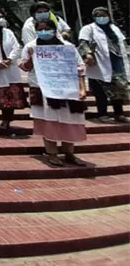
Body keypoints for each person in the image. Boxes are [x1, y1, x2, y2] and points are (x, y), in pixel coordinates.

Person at [20, 19, 88, 166]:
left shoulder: (67, 47)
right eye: (40, 29)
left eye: (47, 29)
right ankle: (52, 153)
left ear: (54, 29)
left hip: (68, 89)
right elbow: (24, 67)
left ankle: (69, 152)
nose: (44, 32)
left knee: (70, 121)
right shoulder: (31, 46)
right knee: (48, 121)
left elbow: (80, 67)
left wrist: (82, 88)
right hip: (43, 88)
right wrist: (32, 57)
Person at [78, 7, 129, 124]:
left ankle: (119, 114)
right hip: (98, 64)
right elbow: (83, 43)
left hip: (116, 63)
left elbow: (123, 43)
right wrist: (88, 54)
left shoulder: (114, 28)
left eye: (104, 15)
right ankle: (103, 114)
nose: (102, 18)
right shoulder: (88, 28)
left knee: (118, 90)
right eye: (98, 16)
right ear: (94, 17)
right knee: (100, 92)